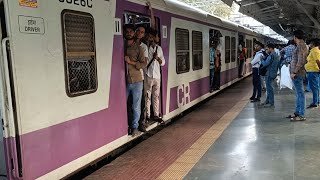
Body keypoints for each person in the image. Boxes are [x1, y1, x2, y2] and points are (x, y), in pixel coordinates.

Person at [124, 24, 147, 136]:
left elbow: (143, 64)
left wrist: (131, 62)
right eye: (127, 31)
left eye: (131, 31)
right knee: (122, 104)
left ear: (134, 33)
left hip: (137, 80)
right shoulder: (120, 45)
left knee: (135, 105)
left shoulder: (139, 48)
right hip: (123, 80)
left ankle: (135, 127)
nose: (129, 33)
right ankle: (125, 125)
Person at [144, 29, 165, 124]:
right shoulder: (146, 48)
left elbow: (163, 63)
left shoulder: (159, 48)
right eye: (156, 36)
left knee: (156, 96)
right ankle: (147, 116)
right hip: (148, 75)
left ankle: (156, 115)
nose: (158, 38)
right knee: (147, 96)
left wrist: (158, 59)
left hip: (157, 76)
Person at [287, 30, 308, 121]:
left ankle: (301, 115)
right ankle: (297, 112)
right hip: (297, 74)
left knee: (300, 94)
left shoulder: (301, 46)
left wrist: (294, 72)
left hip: (298, 74)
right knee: (298, 94)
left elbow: (301, 61)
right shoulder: (300, 46)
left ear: (295, 37)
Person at [260, 43, 280, 107]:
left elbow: (265, 64)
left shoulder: (271, 55)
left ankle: (271, 102)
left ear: (270, 48)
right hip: (273, 72)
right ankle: (267, 101)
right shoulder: (276, 55)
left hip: (269, 73)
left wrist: (262, 59)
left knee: (269, 88)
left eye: (267, 49)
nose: (266, 50)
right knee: (269, 87)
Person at [305, 39, 320, 108]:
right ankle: (317, 100)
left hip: (313, 71)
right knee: (315, 87)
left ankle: (315, 102)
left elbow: (318, 61)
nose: (309, 44)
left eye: (310, 43)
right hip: (312, 70)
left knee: (314, 87)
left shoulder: (314, 51)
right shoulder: (314, 50)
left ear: (313, 44)